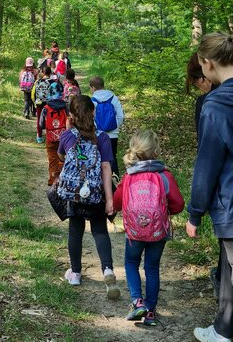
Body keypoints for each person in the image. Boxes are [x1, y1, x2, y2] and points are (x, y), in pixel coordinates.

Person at [186, 32, 233, 342]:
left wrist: (195, 212)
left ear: (208, 63)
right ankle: (223, 329)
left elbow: (207, 164)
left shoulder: (215, 104)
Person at [113, 129, 184, 326]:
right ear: (156, 151)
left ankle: (138, 303)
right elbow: (178, 204)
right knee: (152, 268)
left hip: (135, 233)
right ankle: (151, 311)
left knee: (131, 263)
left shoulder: (128, 177)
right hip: (158, 232)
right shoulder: (164, 176)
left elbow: (118, 202)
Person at [57, 94, 120, 300]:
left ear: (71, 115)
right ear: (93, 113)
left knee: (75, 231)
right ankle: (108, 270)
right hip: (95, 192)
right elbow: (106, 167)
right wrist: (109, 199)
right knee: (100, 231)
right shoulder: (102, 137)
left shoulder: (67, 136)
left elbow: (61, 156)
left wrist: (69, 128)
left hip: (74, 193)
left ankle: (75, 273)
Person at [186, 52, 221, 299]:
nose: (199, 85)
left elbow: (206, 153)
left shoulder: (208, 104)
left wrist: (197, 210)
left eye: (197, 80)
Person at [89, 76, 124, 177]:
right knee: (112, 157)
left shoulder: (93, 101)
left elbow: (90, 118)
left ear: (93, 88)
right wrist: (114, 127)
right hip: (113, 135)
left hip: (98, 134)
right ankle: (115, 182)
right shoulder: (113, 98)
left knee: (99, 158)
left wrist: (96, 129)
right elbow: (121, 115)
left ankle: (100, 183)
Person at [39, 81, 66, 185]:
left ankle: (52, 180)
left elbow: (41, 124)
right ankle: (62, 180)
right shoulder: (65, 107)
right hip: (63, 138)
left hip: (50, 138)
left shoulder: (46, 109)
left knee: (52, 159)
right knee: (62, 159)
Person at [33, 67, 54, 143]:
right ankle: (49, 136)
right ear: (50, 73)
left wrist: (35, 101)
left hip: (39, 102)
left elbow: (34, 92)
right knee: (49, 119)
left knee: (39, 119)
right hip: (48, 103)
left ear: (43, 72)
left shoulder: (38, 81)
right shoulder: (52, 82)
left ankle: (39, 136)